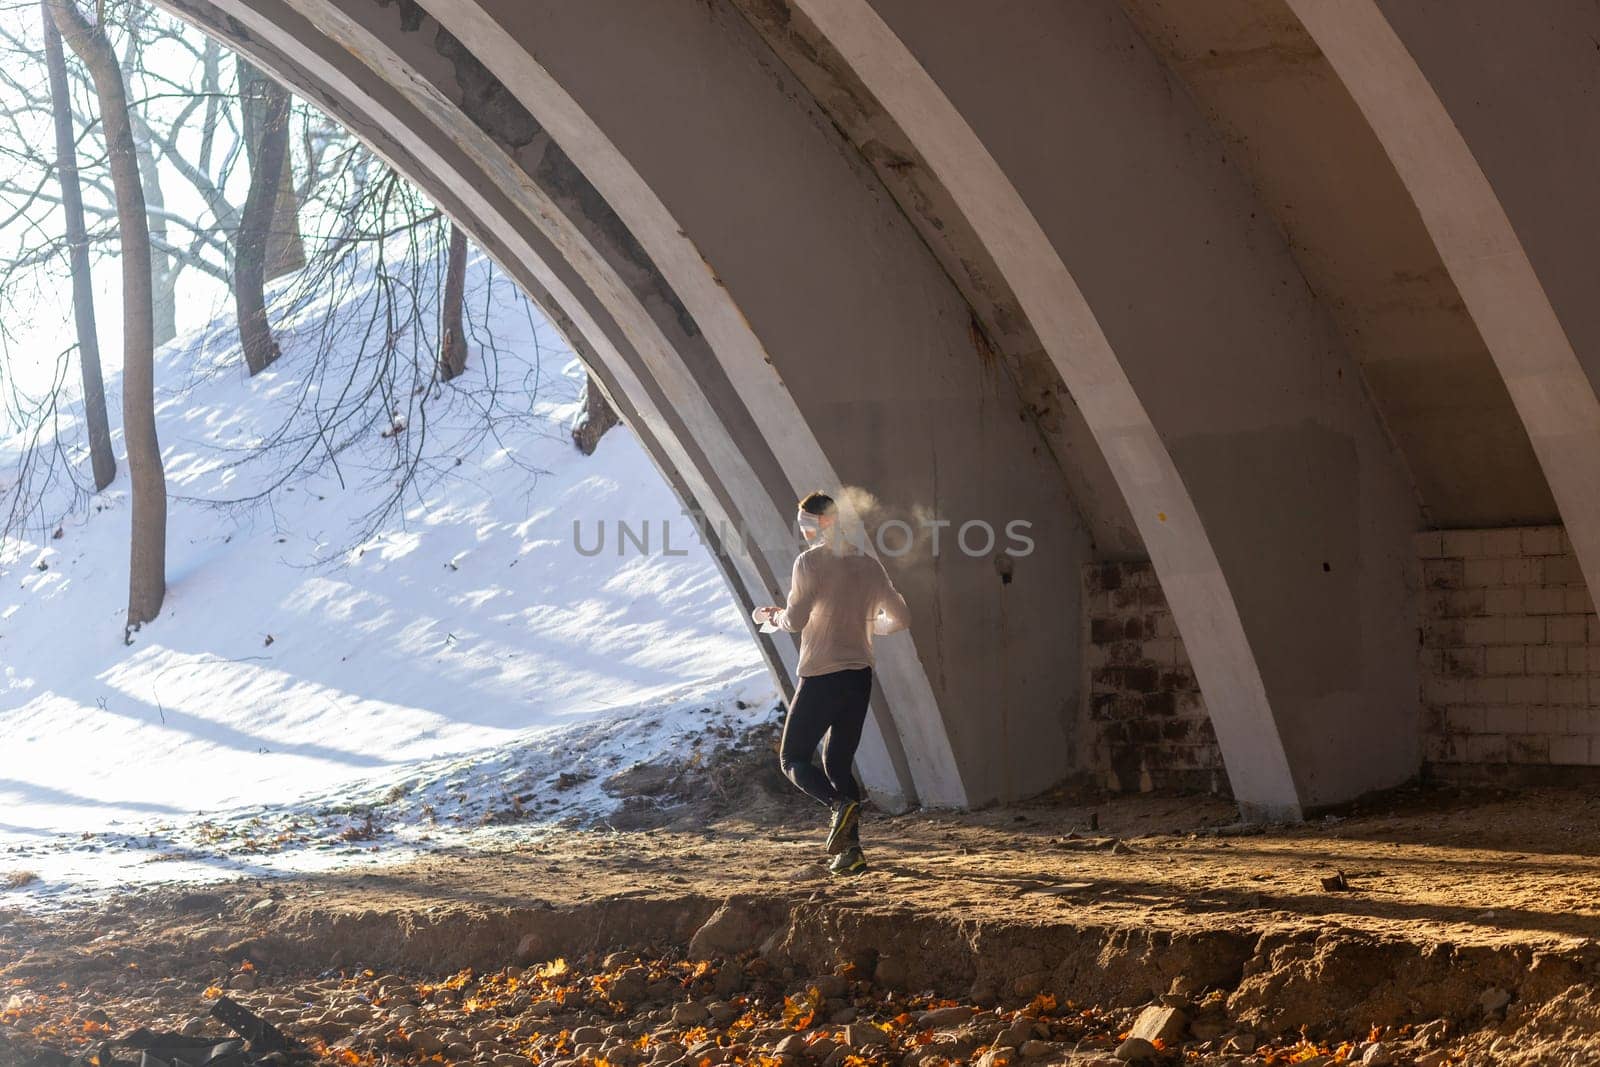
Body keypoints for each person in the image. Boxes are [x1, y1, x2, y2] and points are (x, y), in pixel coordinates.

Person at [753, 491, 910, 876]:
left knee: (792, 758)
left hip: (822, 674)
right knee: (838, 763)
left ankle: (838, 807)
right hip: (859, 677)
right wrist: (872, 627)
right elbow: (902, 618)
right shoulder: (869, 565)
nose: (803, 533)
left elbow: (797, 620)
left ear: (823, 524)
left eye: (806, 525)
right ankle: (851, 852)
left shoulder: (809, 563)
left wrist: (772, 616)